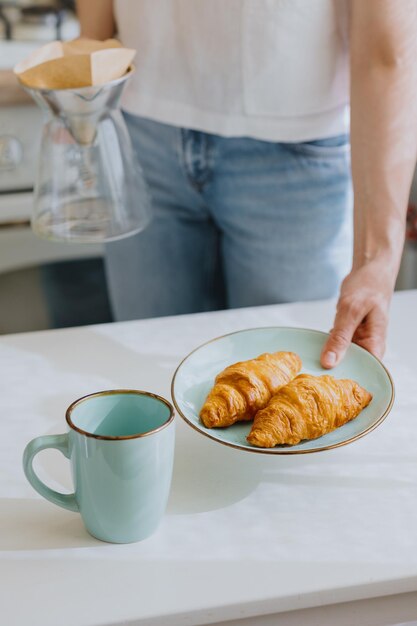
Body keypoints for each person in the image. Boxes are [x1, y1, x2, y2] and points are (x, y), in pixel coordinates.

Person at [77, 0, 417, 368]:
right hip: (142, 118)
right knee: (145, 375)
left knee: (287, 388)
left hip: (294, 150)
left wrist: (377, 259)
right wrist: (88, 56)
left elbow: (387, 51)